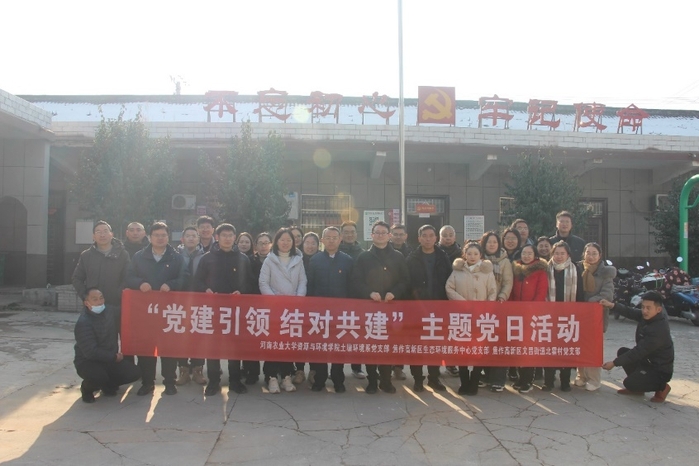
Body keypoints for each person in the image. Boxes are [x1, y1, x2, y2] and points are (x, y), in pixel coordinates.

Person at [125, 222, 189, 396]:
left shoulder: (176, 258)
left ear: (168, 237)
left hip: (169, 312)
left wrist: (171, 284)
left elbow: (185, 278)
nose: (160, 238)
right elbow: (128, 276)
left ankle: (169, 382)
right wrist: (140, 283)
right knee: (146, 348)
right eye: (156, 235)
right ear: (150, 237)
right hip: (145, 312)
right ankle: (148, 383)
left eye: (163, 235)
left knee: (168, 348)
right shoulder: (139, 257)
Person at [194, 223, 255, 396]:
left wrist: (241, 291)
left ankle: (235, 380)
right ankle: (214, 381)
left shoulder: (242, 259)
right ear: (217, 237)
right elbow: (197, 281)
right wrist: (205, 289)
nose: (227, 239)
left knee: (234, 346)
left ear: (234, 238)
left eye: (230, 236)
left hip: (235, 311)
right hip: (212, 310)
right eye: (224, 235)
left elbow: (250, 282)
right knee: (213, 346)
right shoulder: (207, 258)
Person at [352, 220, 410, 394]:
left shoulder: (398, 257)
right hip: (370, 308)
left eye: (383, 232)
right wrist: (369, 292)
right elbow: (356, 281)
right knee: (371, 346)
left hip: (391, 308)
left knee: (387, 345)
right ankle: (372, 380)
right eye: (377, 232)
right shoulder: (363, 257)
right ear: (372, 235)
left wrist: (395, 292)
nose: (380, 235)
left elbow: (405, 280)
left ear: (389, 236)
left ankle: (385, 381)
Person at [601, 291, 674, 403]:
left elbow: (638, 352)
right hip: (647, 361)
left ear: (658, 309)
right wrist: (612, 305)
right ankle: (639, 389)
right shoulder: (648, 316)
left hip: (659, 369)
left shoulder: (659, 330)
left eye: (648, 308)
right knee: (623, 352)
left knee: (629, 383)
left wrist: (614, 363)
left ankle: (662, 387)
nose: (644, 311)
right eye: (643, 307)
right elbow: (630, 312)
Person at [259, 228, 307, 394]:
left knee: (287, 344)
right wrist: (275, 302)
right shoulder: (269, 260)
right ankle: (271, 377)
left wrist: (298, 300)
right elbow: (263, 283)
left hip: (292, 310)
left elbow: (302, 282)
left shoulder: (298, 260)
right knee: (273, 343)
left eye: (289, 240)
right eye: (282, 239)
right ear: (276, 242)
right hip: (274, 308)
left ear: (293, 243)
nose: (285, 243)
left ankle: (286, 375)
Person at [306, 226, 354, 393]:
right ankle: (319, 380)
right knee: (320, 346)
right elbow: (310, 285)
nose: (331, 241)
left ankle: (338, 380)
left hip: (340, 313)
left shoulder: (348, 260)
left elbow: (351, 286)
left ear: (340, 240)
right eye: (328, 238)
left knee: (338, 347)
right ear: (322, 240)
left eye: (335, 238)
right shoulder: (315, 260)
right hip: (319, 312)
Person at [446, 242, 496, 395]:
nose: (472, 257)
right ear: (464, 255)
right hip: (462, 316)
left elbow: (492, 292)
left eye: (475, 254)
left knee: (478, 350)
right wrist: (464, 303)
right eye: (469, 254)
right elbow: (449, 288)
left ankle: (474, 381)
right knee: (462, 350)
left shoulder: (487, 272)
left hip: (481, 317)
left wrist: (485, 309)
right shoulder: (458, 271)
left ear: (480, 255)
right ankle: (464, 382)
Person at [74, 288, 140, 403]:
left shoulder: (109, 311)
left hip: (109, 359)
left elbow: (126, 309)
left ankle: (107, 385)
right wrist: (114, 357)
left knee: (134, 373)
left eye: (101, 298)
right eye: (95, 299)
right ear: (87, 303)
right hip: (88, 362)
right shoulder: (83, 323)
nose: (99, 302)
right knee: (98, 377)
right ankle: (86, 389)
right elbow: (91, 352)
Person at [405, 225, 449, 392]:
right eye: (424, 236)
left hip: (438, 308)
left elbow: (449, 281)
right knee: (416, 346)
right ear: (419, 239)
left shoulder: (443, 257)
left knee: (435, 346)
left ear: (436, 238)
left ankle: (434, 378)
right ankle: (418, 379)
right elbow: (407, 283)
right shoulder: (412, 258)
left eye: (431, 235)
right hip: (417, 309)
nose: (428, 238)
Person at [542, 241, 584, 392]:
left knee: (566, 348)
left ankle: (565, 381)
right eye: (556, 253)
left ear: (568, 255)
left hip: (568, 315)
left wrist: (578, 312)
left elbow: (580, 292)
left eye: (562, 253)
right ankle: (548, 381)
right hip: (549, 315)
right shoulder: (546, 268)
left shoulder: (575, 269)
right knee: (549, 349)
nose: (559, 256)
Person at [575, 242, 616, 391]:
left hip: (595, 316)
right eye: (588, 253)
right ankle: (581, 375)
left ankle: (594, 379)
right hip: (579, 316)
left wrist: (588, 304)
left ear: (600, 256)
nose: (591, 256)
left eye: (594, 254)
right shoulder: (578, 269)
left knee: (592, 348)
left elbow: (607, 295)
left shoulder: (606, 273)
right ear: (584, 254)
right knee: (579, 346)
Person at [509, 244, 548, 393]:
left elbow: (541, 293)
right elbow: (512, 290)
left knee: (529, 348)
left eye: (529, 253)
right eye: (524, 253)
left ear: (535, 255)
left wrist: (531, 311)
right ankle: (521, 378)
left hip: (532, 315)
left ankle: (528, 380)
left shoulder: (540, 271)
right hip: (516, 314)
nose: (526, 256)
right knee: (518, 348)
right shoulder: (516, 269)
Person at [480, 231, 514, 390]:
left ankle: (498, 380)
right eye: (489, 242)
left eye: (494, 242)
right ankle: (487, 376)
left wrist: (502, 297)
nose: (492, 244)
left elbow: (508, 282)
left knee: (499, 344)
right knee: (484, 342)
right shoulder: (479, 259)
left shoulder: (505, 261)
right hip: (482, 307)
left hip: (499, 307)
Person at [72, 221, 130, 313]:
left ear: (111, 234)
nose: (102, 235)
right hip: (92, 307)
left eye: (105, 231)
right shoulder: (86, 256)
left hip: (115, 305)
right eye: (98, 232)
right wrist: (86, 297)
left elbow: (127, 277)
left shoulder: (122, 255)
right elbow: (77, 278)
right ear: (93, 236)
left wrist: (119, 294)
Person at [174, 226, 207, 386]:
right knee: (181, 336)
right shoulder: (175, 256)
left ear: (199, 239)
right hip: (180, 302)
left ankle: (198, 369)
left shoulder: (206, 256)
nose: (191, 238)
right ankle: (183, 370)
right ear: (183, 239)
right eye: (188, 236)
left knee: (198, 335)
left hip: (200, 301)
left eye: (194, 235)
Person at [338, 220, 366, 379]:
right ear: (341, 235)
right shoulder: (335, 251)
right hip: (339, 299)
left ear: (356, 234)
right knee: (338, 334)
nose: (349, 235)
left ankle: (357, 367)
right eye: (346, 232)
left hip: (358, 300)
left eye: (352, 232)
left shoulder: (363, 253)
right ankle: (337, 368)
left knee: (357, 334)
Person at [295, 231, 320, 384]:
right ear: (302, 244)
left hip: (317, 307)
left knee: (315, 339)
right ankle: (299, 370)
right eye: (307, 243)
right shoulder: (297, 260)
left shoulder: (322, 259)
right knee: (300, 339)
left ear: (318, 245)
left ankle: (313, 370)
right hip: (300, 306)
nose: (310, 246)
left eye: (313, 243)